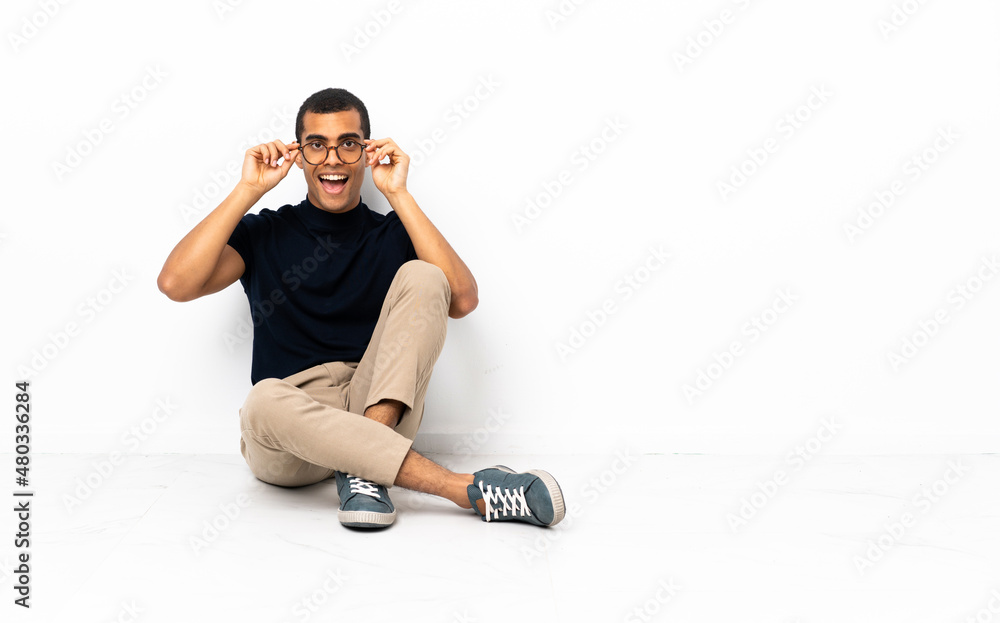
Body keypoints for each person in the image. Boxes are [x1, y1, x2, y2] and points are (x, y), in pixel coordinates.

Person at [157, 88, 564, 529]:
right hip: (291, 430)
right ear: (298, 155)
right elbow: (176, 284)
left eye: (348, 144)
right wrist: (247, 189)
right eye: (317, 145)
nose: (332, 158)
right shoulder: (265, 232)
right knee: (261, 401)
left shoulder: (392, 233)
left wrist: (399, 193)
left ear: (367, 152)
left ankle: (363, 467)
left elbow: (462, 300)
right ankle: (461, 489)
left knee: (427, 276)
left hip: (375, 406)